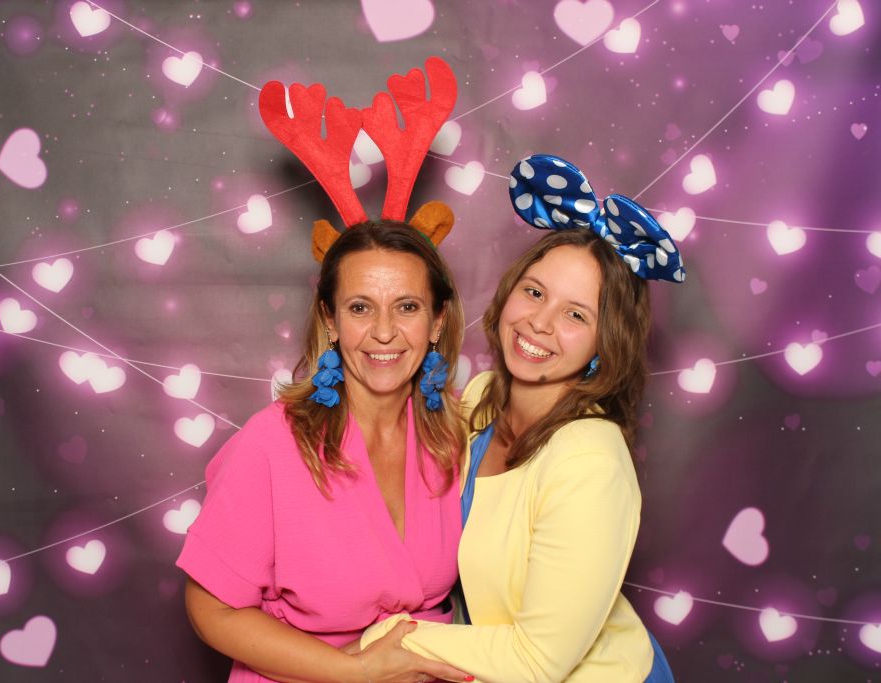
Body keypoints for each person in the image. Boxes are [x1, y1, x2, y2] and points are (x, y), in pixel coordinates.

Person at [360, 154, 682, 682]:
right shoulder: (482, 399)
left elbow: (537, 662)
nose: (539, 322)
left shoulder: (590, 464)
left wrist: (382, 639)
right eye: (534, 292)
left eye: (575, 314)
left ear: (606, 341)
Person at [177, 220, 472, 683]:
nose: (384, 332)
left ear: (437, 321)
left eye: (407, 307)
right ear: (330, 320)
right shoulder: (272, 442)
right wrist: (355, 673)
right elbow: (210, 609)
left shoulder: (457, 432)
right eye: (360, 308)